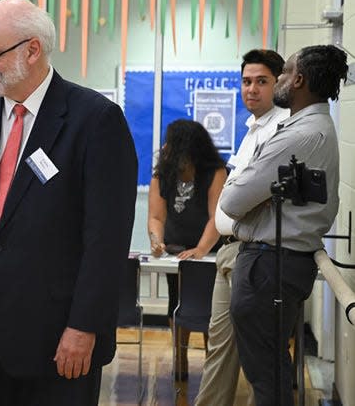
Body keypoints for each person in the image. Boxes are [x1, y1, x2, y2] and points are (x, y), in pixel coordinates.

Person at [0, 0, 138, 406]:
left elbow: (106, 239)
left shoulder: (95, 120)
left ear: (33, 49)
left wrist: (84, 326)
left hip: (58, 343)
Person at [222, 45, 347, 406]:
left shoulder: (299, 135)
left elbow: (231, 202)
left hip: (268, 263)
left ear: (300, 80)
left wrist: (241, 183)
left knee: (267, 375)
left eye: (285, 71)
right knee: (269, 370)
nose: (279, 79)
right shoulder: (311, 127)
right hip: (273, 262)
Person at [195, 49, 287, 406]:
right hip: (230, 250)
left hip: (254, 252)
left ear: (278, 83)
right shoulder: (251, 129)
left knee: (255, 357)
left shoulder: (281, 128)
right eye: (246, 81)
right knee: (219, 346)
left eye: (261, 81)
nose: (251, 89)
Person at [147, 119, 227, 380]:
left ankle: (211, 366)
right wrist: (156, 241)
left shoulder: (215, 172)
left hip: (209, 253)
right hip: (176, 253)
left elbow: (216, 216)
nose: (165, 147)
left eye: (172, 142)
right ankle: (179, 362)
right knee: (178, 307)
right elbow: (156, 218)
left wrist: (201, 249)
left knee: (207, 310)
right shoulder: (162, 174)